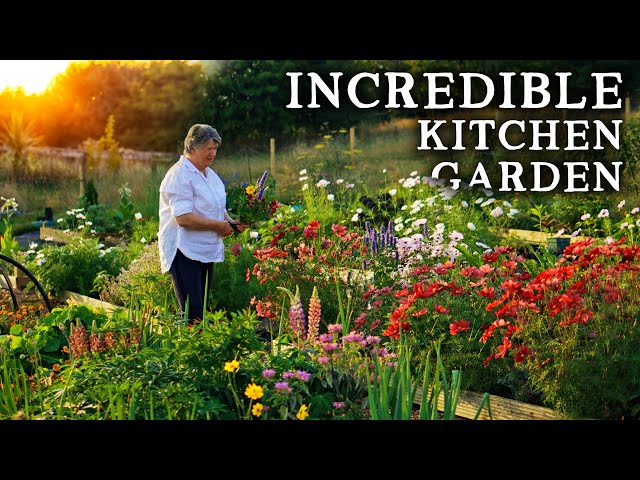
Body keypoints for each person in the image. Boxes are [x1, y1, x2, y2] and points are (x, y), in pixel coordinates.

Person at [158, 124, 247, 326]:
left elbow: (215, 207)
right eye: (208, 148)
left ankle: (202, 353)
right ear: (192, 147)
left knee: (202, 310)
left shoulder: (209, 175)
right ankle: (191, 355)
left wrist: (230, 222)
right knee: (193, 314)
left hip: (204, 249)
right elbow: (183, 218)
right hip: (184, 251)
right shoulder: (180, 175)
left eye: (215, 148)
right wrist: (217, 226)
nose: (213, 153)